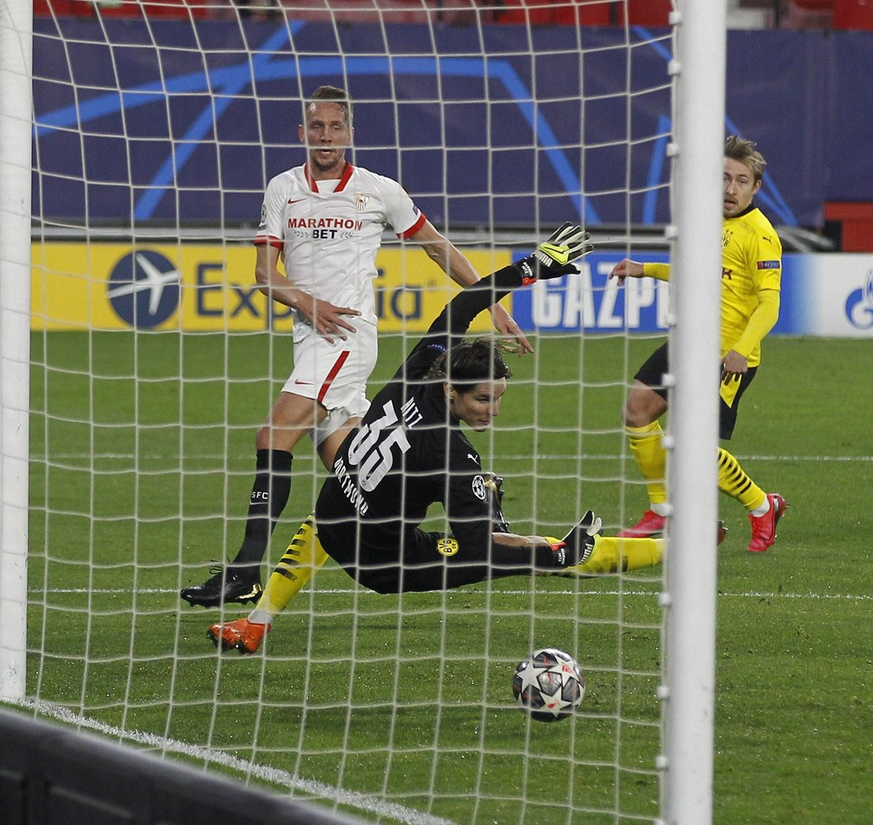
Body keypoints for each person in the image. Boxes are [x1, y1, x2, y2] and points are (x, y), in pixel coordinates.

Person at [208, 225, 665, 654]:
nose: (493, 411)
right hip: (385, 564)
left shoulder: (420, 372)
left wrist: (530, 267)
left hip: (333, 520)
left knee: (346, 502)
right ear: (453, 390)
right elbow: (480, 549)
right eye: (484, 400)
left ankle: (257, 622)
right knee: (512, 550)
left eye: (499, 398)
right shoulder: (451, 453)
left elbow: (461, 307)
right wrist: (548, 552)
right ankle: (657, 550)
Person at [181, 85, 530, 607]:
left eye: (335, 127)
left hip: (347, 336)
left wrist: (491, 303)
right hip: (310, 337)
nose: (326, 136)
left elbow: (437, 246)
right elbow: (263, 277)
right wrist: (305, 302)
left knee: (272, 435)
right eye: (316, 127)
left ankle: (246, 569)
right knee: (353, 468)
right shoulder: (283, 188)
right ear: (303, 133)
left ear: (350, 133)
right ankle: (482, 497)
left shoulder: (378, 190)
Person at [610, 135, 786, 552]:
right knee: (637, 411)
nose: (730, 189)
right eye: (724, 178)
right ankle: (661, 507)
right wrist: (645, 269)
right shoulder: (708, 220)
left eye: (742, 181)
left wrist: (741, 350)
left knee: (694, 448)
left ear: (755, 187)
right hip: (689, 340)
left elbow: (771, 303)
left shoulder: (760, 235)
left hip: (728, 356)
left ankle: (763, 506)